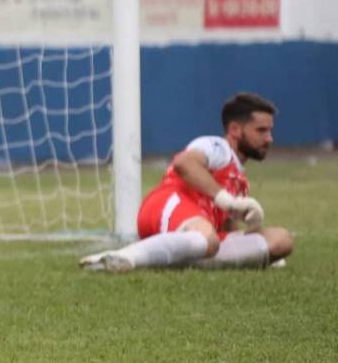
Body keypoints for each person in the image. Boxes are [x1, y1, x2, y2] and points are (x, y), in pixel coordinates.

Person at [80, 92, 293, 273]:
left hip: (198, 231)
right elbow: (183, 163)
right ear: (236, 129)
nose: (269, 139)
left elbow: (226, 230)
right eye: (261, 130)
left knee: (282, 241)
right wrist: (227, 201)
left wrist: (251, 232)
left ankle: (164, 257)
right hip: (167, 205)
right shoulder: (217, 147)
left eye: (270, 131)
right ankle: (124, 256)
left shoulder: (239, 179)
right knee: (209, 240)